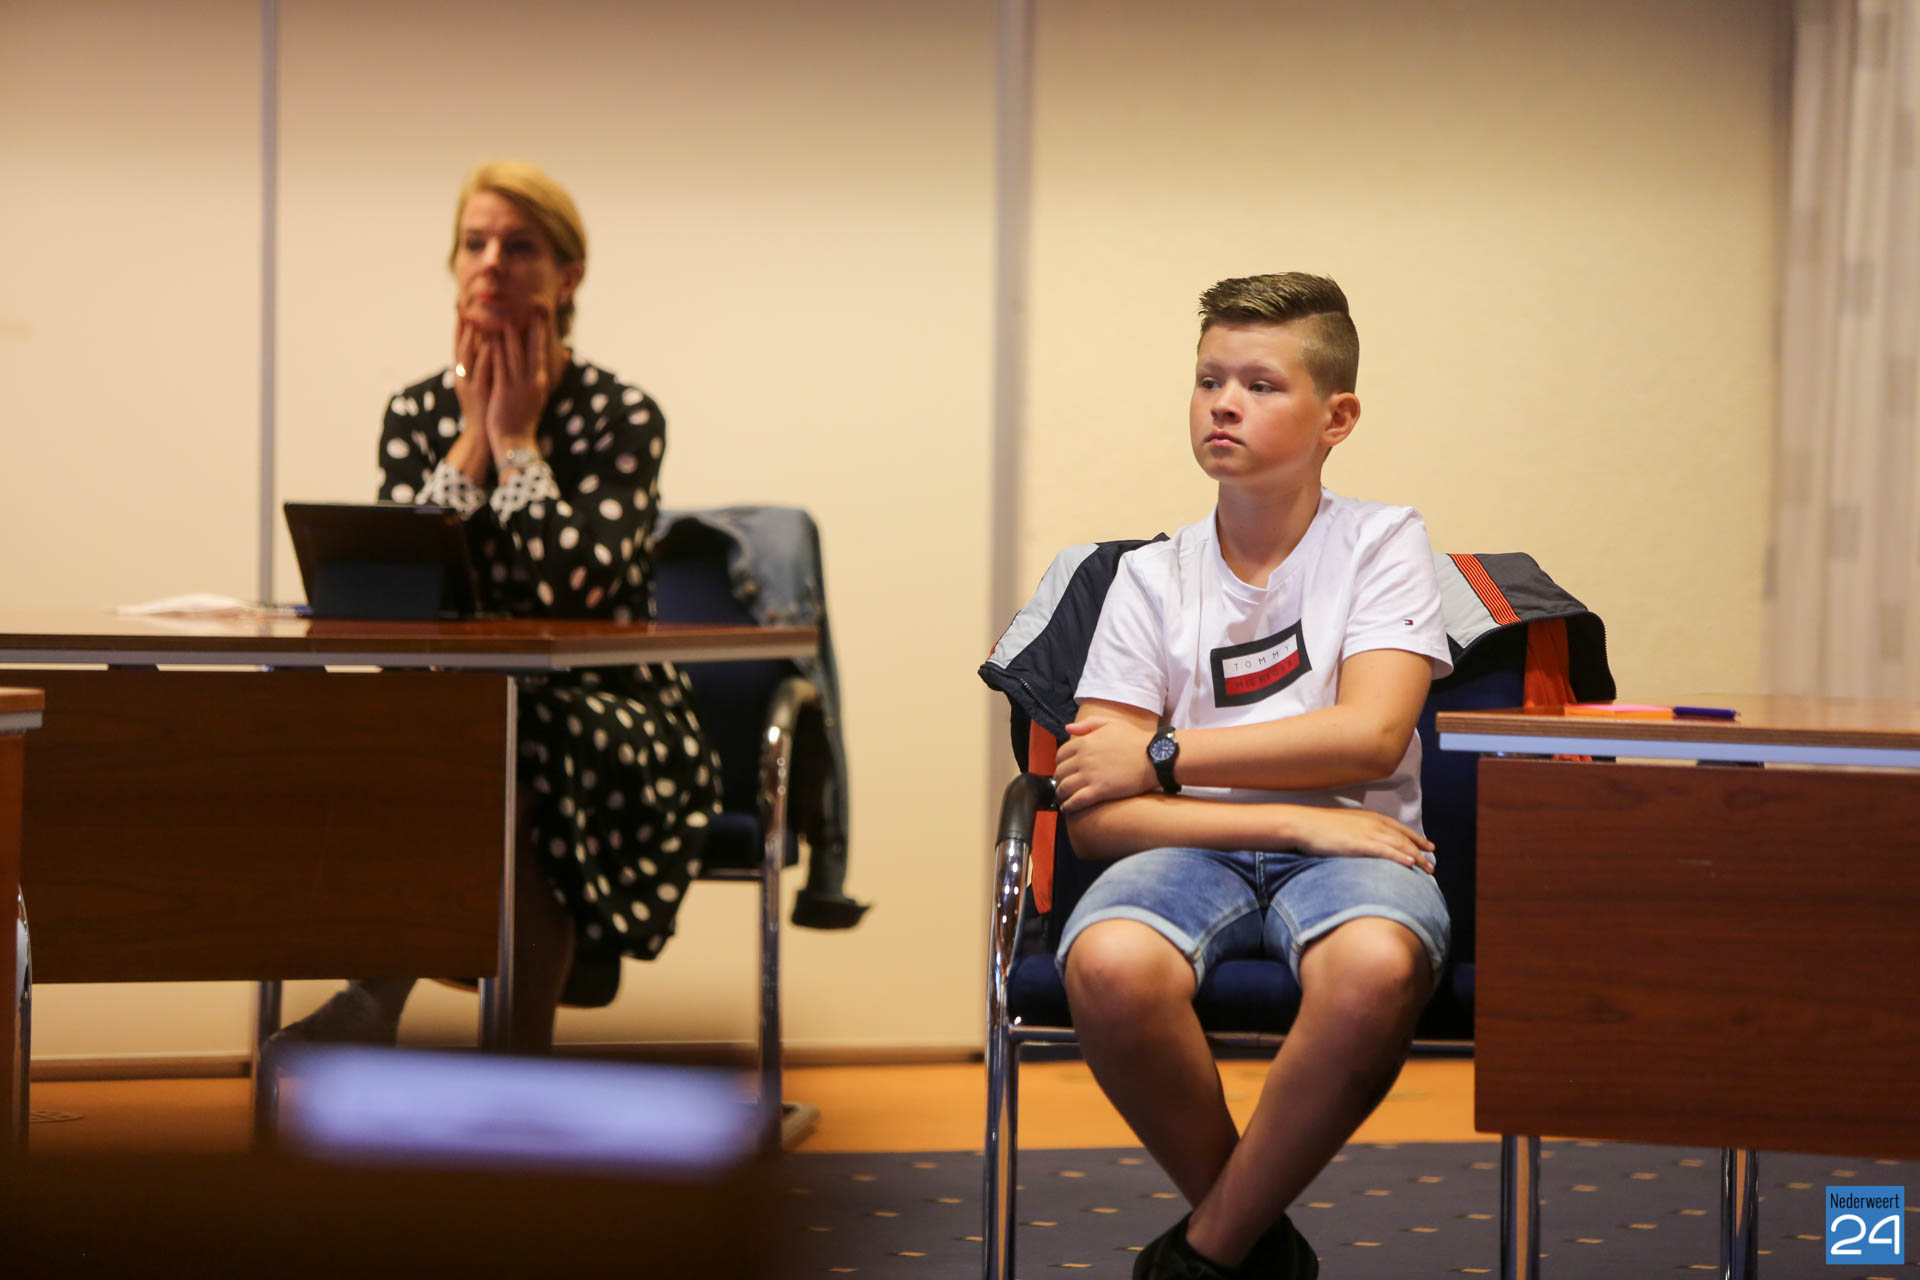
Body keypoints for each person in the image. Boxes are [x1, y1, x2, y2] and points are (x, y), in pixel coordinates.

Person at [1050, 273, 1452, 1279]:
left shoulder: (1385, 541)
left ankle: (1210, 1251)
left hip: (1361, 853)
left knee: (1376, 967)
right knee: (1107, 963)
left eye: (1262, 385)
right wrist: (1300, 820)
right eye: (1209, 380)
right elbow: (1096, 816)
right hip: (1207, 849)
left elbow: (1369, 739)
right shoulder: (1149, 576)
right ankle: (1250, 1249)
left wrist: (1162, 754)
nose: (1224, 404)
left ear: (1336, 418)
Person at [272, 160, 722, 1054]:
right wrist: (468, 446)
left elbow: (574, 585)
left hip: (612, 712)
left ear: (568, 276)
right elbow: (406, 592)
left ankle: (467, 1033)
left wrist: (516, 441)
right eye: (474, 244)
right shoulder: (416, 412)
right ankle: (393, 1006)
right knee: (394, 728)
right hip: (459, 706)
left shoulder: (622, 414)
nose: (490, 263)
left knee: (515, 734)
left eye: (519, 247)